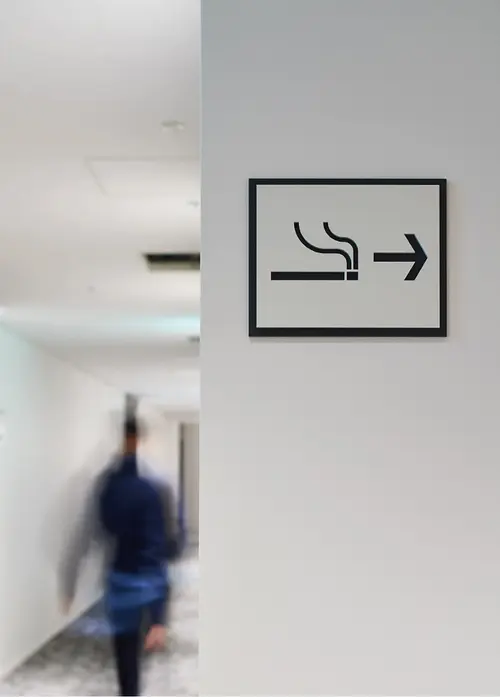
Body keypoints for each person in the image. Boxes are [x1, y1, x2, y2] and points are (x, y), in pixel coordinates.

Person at [60, 415, 182, 696]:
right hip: (148, 580)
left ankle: (130, 690)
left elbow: (88, 531)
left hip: (120, 579)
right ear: (139, 440)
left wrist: (69, 579)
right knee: (140, 651)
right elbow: (166, 544)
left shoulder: (107, 485)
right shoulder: (155, 486)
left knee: (126, 654)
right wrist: (160, 615)